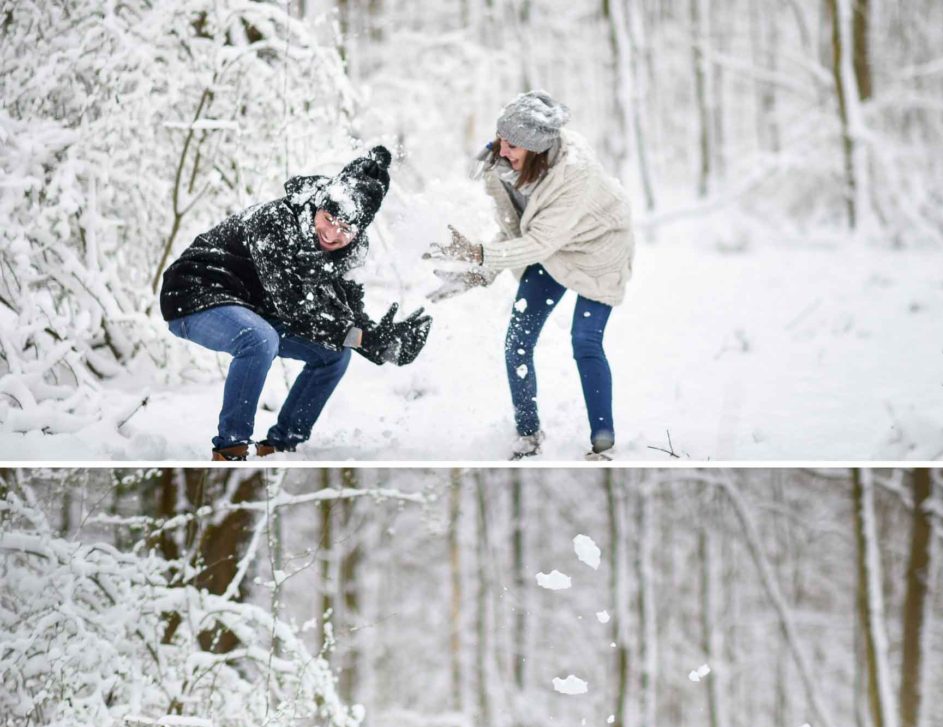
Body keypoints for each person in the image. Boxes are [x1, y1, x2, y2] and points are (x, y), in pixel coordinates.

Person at [160, 145, 432, 461]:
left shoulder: (352, 250)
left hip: (256, 307)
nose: (332, 233)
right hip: (195, 293)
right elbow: (294, 308)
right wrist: (361, 339)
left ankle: (282, 445)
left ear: (359, 230)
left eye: (346, 228)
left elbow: (348, 313)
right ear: (320, 204)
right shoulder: (276, 222)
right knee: (259, 339)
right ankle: (231, 449)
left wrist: (379, 342)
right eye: (329, 218)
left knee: (334, 354)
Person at [424, 91, 634, 461]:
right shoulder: (502, 169)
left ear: (536, 148)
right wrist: (479, 272)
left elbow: (537, 242)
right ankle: (528, 435)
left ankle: (603, 442)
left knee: (585, 342)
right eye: (501, 139)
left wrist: (479, 253)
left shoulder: (575, 174)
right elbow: (515, 230)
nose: (502, 150)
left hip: (597, 253)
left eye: (513, 145)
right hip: (551, 252)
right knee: (517, 342)